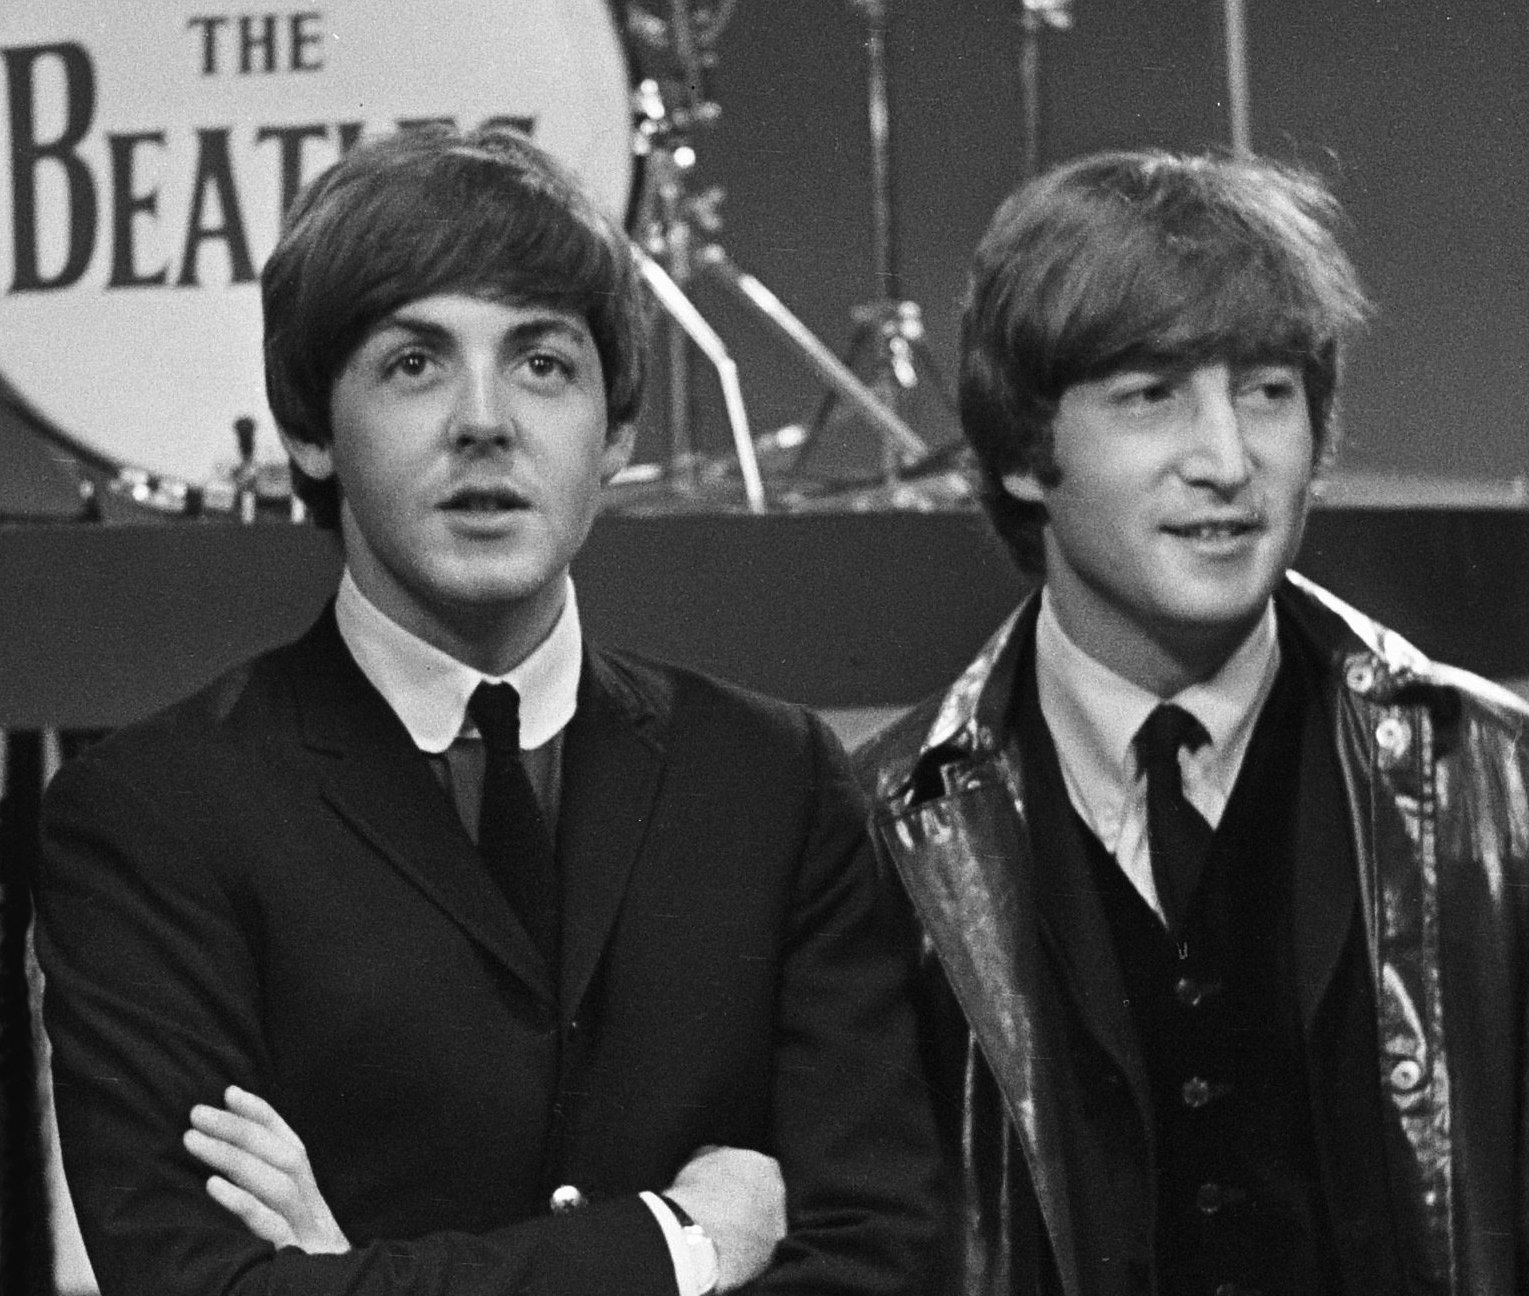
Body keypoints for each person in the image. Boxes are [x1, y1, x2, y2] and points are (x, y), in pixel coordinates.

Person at [34, 126, 945, 1296]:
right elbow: (204, 1287)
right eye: (415, 363)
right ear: (309, 425)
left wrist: (357, 1278)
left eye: (542, 363)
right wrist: (677, 1244)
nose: (483, 420)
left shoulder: (773, 779)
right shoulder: (152, 817)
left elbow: (882, 1261)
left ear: (615, 429)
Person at [857, 149, 1529, 1296]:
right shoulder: (879, 834)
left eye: (1265, 391)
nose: (1226, 462)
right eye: (1150, 395)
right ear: (1020, 452)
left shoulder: (1494, 785)